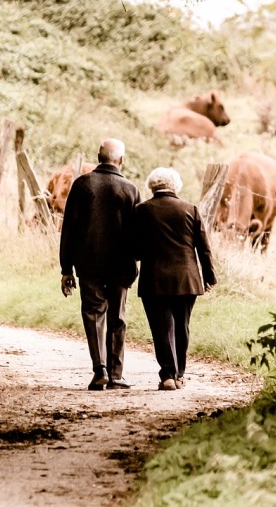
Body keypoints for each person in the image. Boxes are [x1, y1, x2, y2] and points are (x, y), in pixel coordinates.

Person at [59, 138, 141, 391]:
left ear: (98, 156)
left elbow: (68, 229)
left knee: (93, 314)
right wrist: (136, 259)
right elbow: (137, 233)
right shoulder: (130, 189)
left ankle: (100, 371)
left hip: (88, 263)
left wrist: (66, 269)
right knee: (117, 316)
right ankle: (117, 375)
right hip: (121, 265)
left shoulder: (82, 185)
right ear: (121, 160)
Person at [133, 167, 217, 391]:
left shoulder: (141, 210)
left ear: (152, 186)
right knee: (182, 326)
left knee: (161, 328)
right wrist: (209, 277)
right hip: (187, 278)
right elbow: (204, 248)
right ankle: (180, 374)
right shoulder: (190, 209)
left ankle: (167, 375)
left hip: (154, 279)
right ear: (175, 186)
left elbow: (135, 249)